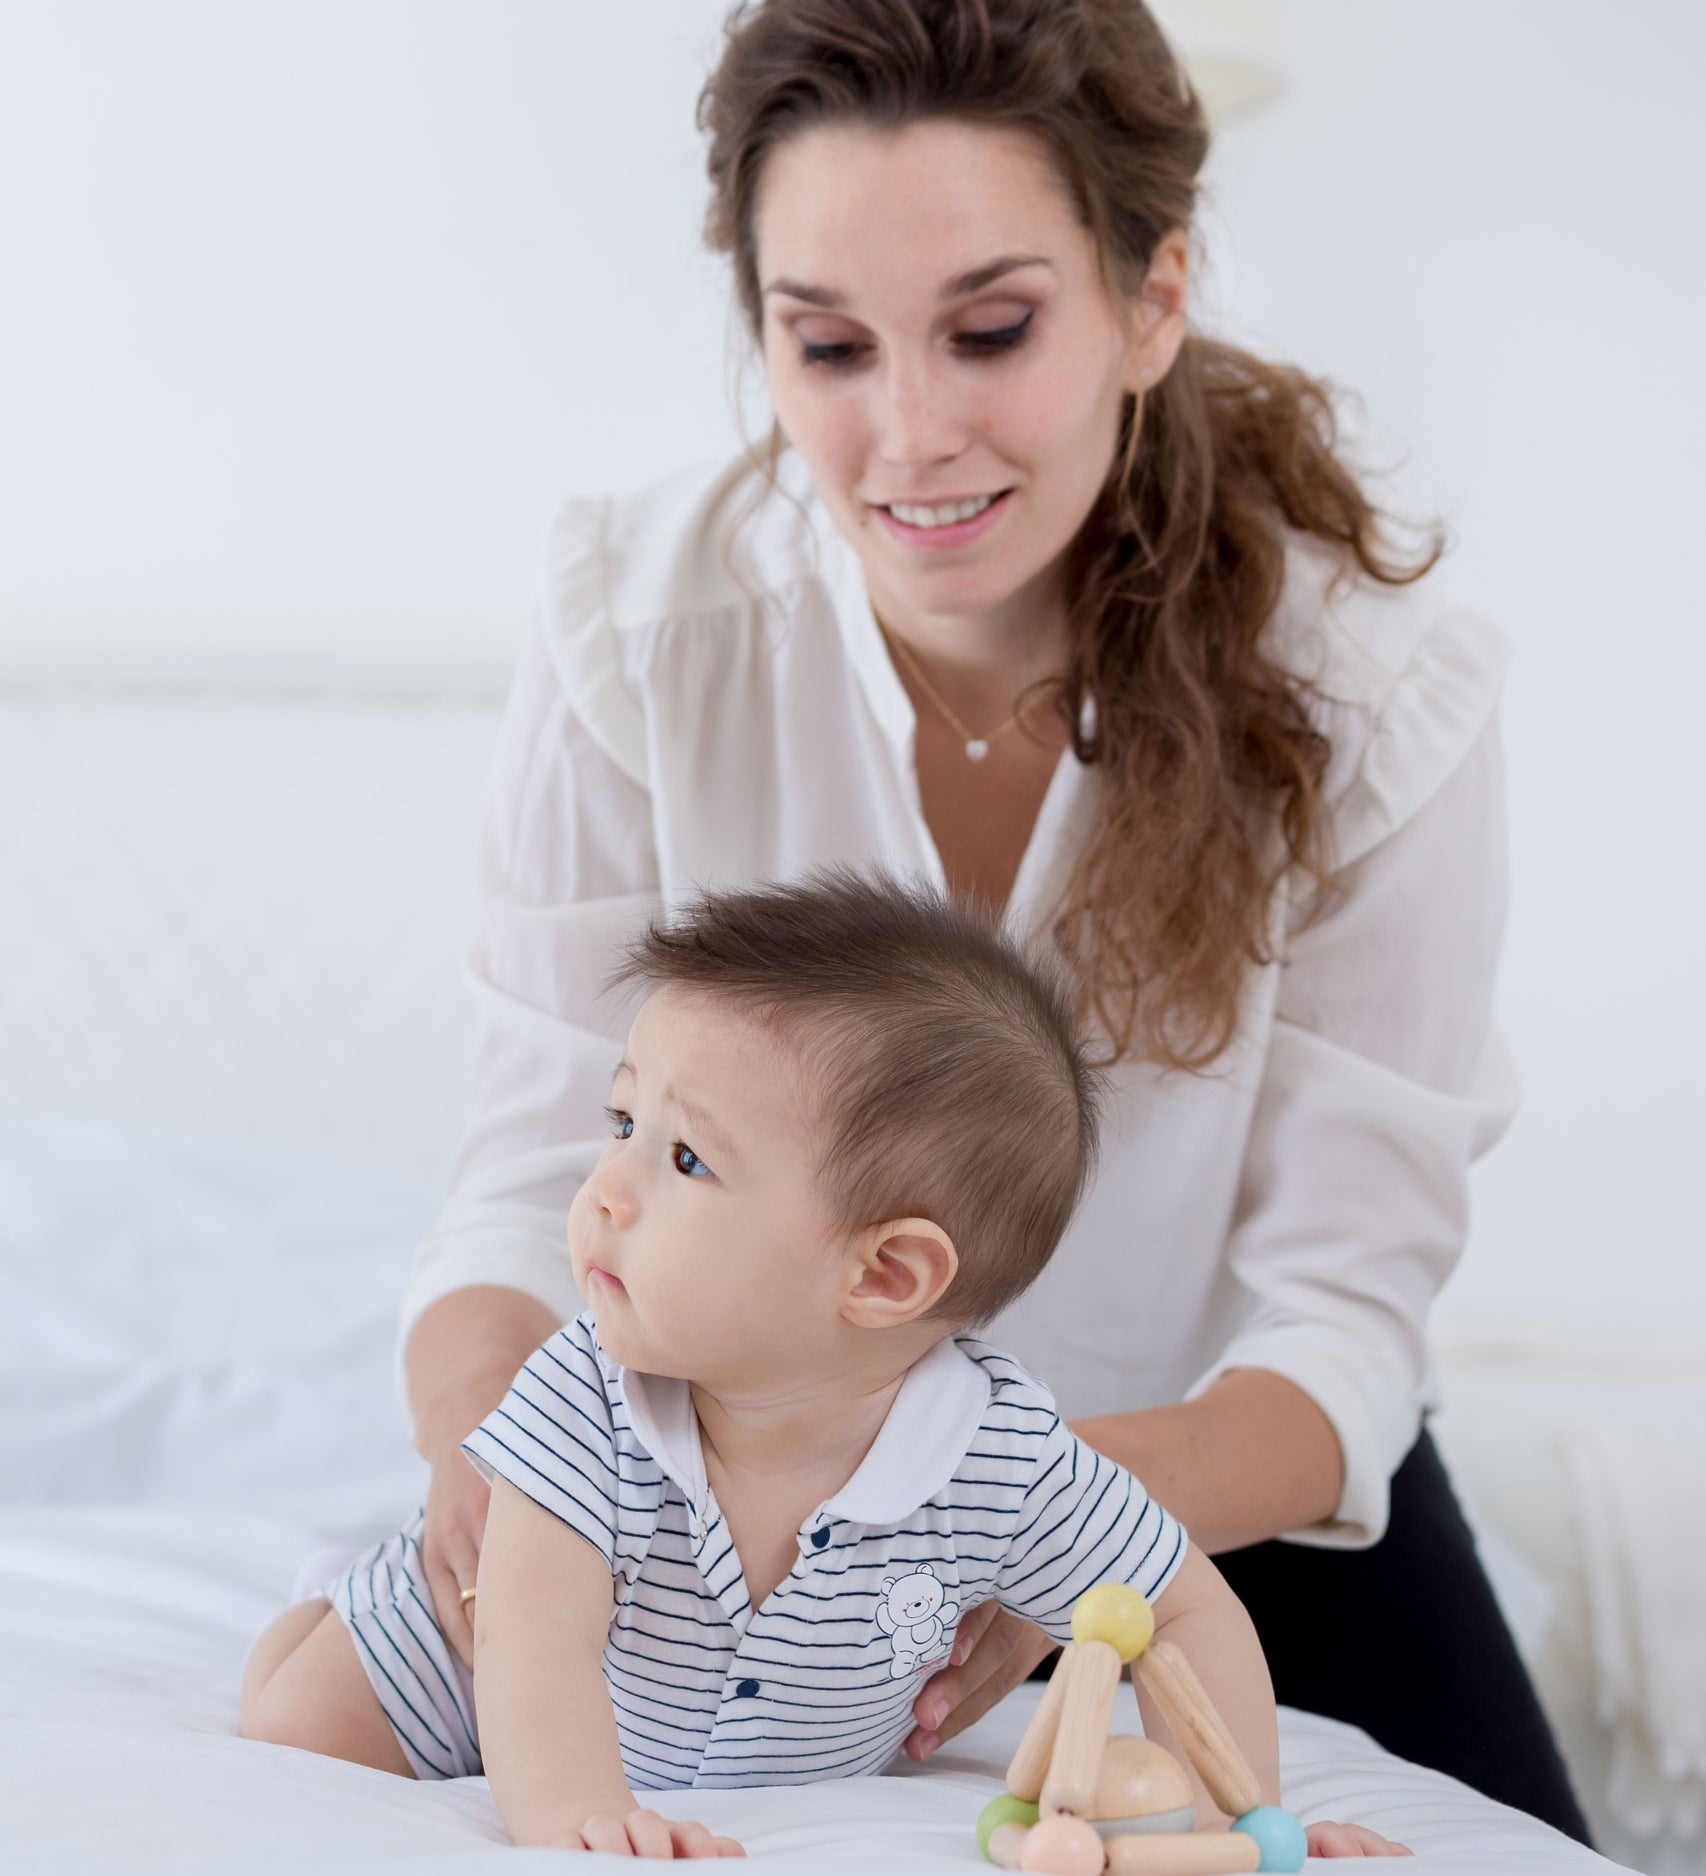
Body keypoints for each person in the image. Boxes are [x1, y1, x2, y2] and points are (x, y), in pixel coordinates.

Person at [397, 0, 1589, 1843]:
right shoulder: (637, 628)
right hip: (727, 1497)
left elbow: (1344, 1310)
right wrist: (498, 1459)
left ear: (1150, 295)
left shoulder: (1374, 691)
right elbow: (527, 1170)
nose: (909, 433)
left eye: (993, 328)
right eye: (827, 345)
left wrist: (1034, 1513)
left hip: (1209, 1488)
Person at [239, 875, 1405, 1859]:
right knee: (291, 1722)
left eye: (685, 1157)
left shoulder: (1000, 1458)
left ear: (886, 1276)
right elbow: (535, 1632)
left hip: (751, 1744)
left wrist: (1242, 1817)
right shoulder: (584, 1388)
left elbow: (1179, 1605)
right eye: (621, 1122)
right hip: (466, 1660)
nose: (605, 1188)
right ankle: (322, 1607)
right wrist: (581, 1819)